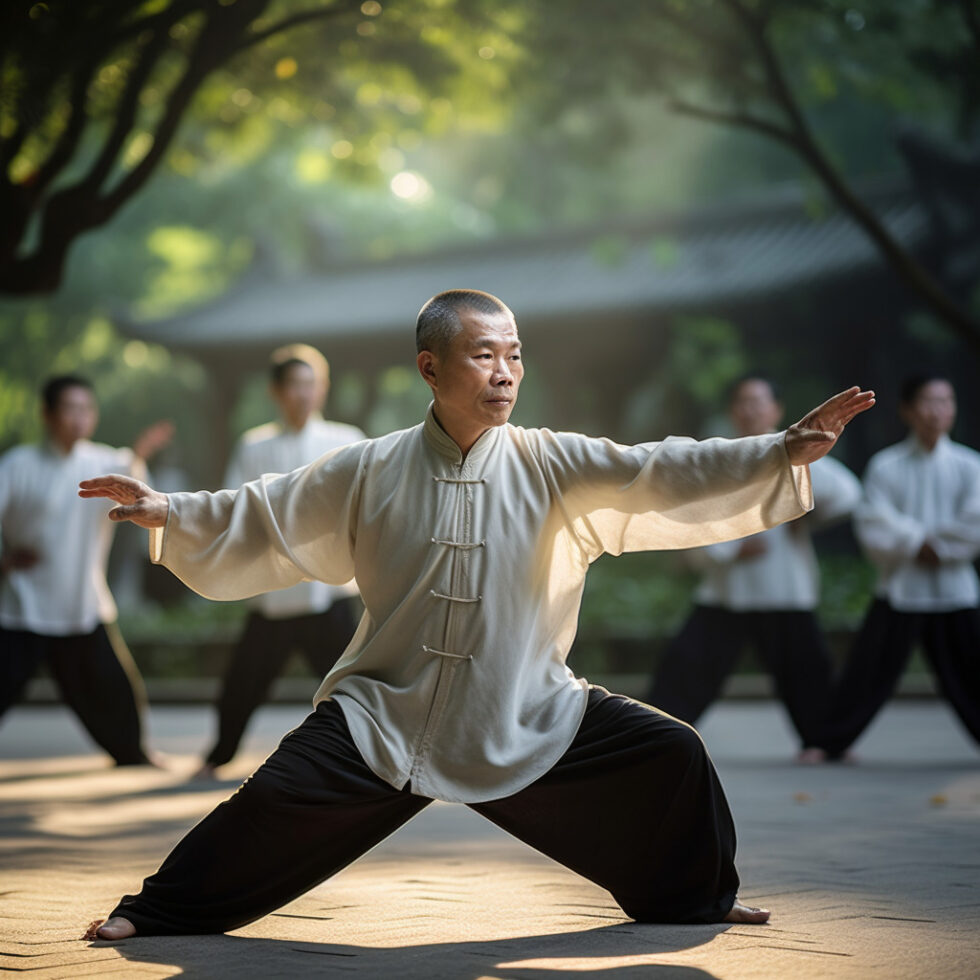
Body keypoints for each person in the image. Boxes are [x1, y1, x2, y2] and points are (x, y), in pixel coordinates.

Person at [79, 290, 874, 939]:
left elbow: (657, 469)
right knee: (269, 802)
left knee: (672, 752)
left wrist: (775, 453)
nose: (505, 372)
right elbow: (262, 509)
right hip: (386, 709)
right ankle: (156, 911)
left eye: (515, 354)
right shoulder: (369, 465)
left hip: (522, 705)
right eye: (483, 354)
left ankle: (695, 898)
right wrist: (169, 509)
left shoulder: (549, 459)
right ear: (431, 366)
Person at [647, 376, 862, 762]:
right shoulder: (721, 456)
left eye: (760, 401)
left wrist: (808, 512)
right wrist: (731, 551)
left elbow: (847, 493)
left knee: (806, 672)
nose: (752, 409)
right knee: (685, 669)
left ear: (776, 410)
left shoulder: (795, 451)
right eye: (743, 402)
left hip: (783, 588)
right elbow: (690, 519)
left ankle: (822, 742)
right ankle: (649, 740)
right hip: (728, 590)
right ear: (733, 411)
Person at [193, 345, 365, 780]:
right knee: (242, 682)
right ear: (276, 391)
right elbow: (234, 506)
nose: (304, 394)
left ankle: (372, 752)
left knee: (354, 682)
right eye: (294, 385)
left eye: (311, 384)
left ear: (323, 388)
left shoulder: (347, 440)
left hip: (327, 589)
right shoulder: (255, 445)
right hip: (274, 592)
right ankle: (219, 753)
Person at [0, 375, 172, 765]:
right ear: (47, 414)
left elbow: (144, 491)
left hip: (82, 602)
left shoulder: (106, 463)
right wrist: (5, 561)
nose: (79, 418)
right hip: (22, 606)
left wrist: (139, 459)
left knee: (114, 689)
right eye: (69, 409)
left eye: (86, 409)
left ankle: (134, 753)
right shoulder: (16, 466)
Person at [822, 375, 980, 756]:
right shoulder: (886, 466)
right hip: (900, 585)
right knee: (867, 672)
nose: (937, 411)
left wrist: (936, 547)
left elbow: (976, 519)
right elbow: (873, 520)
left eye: (946, 401)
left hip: (954, 587)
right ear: (907, 410)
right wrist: (917, 543)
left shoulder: (970, 464)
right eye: (927, 401)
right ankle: (830, 744)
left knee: (974, 675)